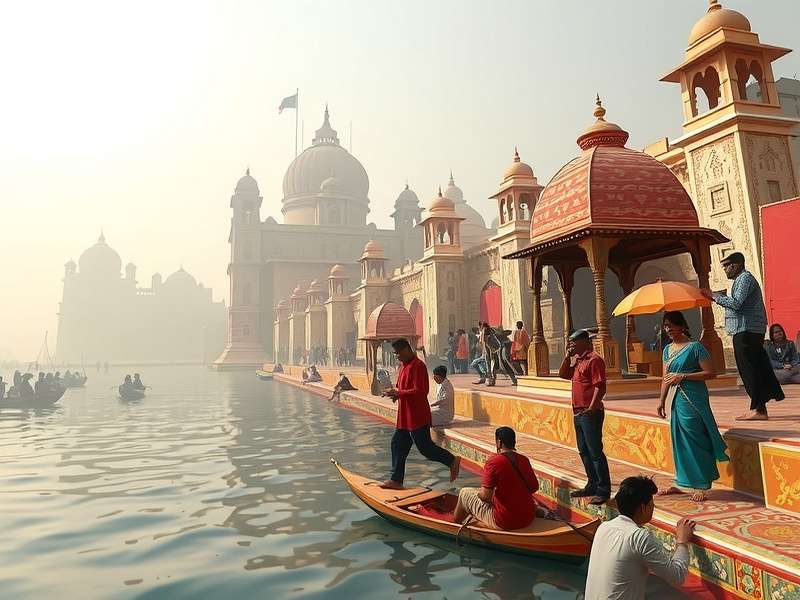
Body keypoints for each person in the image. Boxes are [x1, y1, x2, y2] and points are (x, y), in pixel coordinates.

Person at [702, 252, 784, 420]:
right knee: (757, 368)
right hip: (748, 330)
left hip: (747, 330)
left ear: (736, 265)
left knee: (749, 370)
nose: (724, 269)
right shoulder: (741, 280)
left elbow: (736, 304)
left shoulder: (745, 279)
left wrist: (715, 297)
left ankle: (758, 409)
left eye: (726, 265)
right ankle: (759, 407)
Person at [584, 476, 695, 600]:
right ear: (643, 508)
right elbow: (676, 577)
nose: (654, 507)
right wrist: (682, 542)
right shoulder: (639, 537)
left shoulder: (604, 527)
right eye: (652, 504)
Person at [657, 311, 729, 502]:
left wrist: (684, 376)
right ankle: (683, 483)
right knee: (679, 440)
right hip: (676, 399)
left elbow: (710, 372)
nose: (668, 329)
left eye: (671, 325)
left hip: (693, 398)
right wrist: (661, 400)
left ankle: (701, 485)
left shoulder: (695, 347)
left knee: (696, 438)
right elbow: (666, 378)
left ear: (682, 325)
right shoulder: (667, 350)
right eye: (666, 326)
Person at [380, 338, 460, 490]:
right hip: (404, 417)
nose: (397, 356)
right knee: (397, 444)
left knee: (426, 449)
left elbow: (421, 391)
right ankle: (396, 480)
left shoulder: (419, 366)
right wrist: (395, 395)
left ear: (406, 350)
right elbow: (402, 389)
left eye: (398, 353)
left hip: (417, 417)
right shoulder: (402, 366)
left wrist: (399, 393)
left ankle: (452, 461)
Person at [558, 329, 610, 505]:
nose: (571, 344)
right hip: (578, 412)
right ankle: (592, 483)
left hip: (590, 413)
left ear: (584, 342)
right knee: (584, 450)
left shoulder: (594, 360)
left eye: (574, 342)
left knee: (595, 451)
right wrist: (567, 356)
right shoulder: (578, 361)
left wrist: (592, 407)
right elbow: (563, 374)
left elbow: (600, 386)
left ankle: (603, 489)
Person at [453, 426, 539, 530]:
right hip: (528, 517)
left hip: (505, 521)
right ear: (514, 442)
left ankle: (454, 525)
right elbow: (534, 487)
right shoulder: (524, 460)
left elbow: (486, 497)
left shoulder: (494, 462)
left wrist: (478, 494)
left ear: (499, 442)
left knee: (464, 493)